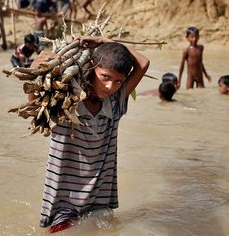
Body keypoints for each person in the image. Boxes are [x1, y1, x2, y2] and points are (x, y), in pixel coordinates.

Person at [30, 36, 150, 233]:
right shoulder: (65, 101)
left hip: (100, 203)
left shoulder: (115, 102)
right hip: (63, 206)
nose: (111, 86)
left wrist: (105, 41)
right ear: (92, 66)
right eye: (105, 77)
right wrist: (36, 71)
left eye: (119, 81)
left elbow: (143, 63)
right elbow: (37, 109)